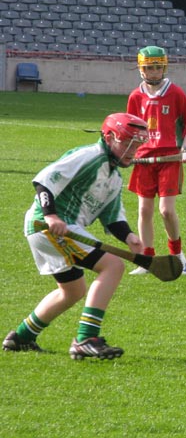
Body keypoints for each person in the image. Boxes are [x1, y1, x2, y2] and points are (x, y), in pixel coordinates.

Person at [2, 113, 149, 360]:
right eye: (127, 143)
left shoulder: (114, 177)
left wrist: (130, 237)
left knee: (72, 291)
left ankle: (21, 337)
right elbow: (45, 180)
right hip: (46, 225)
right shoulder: (90, 156)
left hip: (59, 229)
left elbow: (112, 217)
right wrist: (51, 216)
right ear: (109, 137)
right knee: (113, 266)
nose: (132, 151)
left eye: (137, 145)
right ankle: (85, 338)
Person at [126, 46, 186, 275]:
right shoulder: (135, 96)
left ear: (164, 67)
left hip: (169, 157)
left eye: (158, 67)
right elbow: (131, 128)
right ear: (141, 69)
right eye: (149, 68)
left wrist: (185, 146)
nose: (154, 72)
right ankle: (146, 259)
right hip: (144, 159)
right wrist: (129, 152)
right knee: (144, 210)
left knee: (166, 210)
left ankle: (177, 254)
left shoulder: (175, 93)